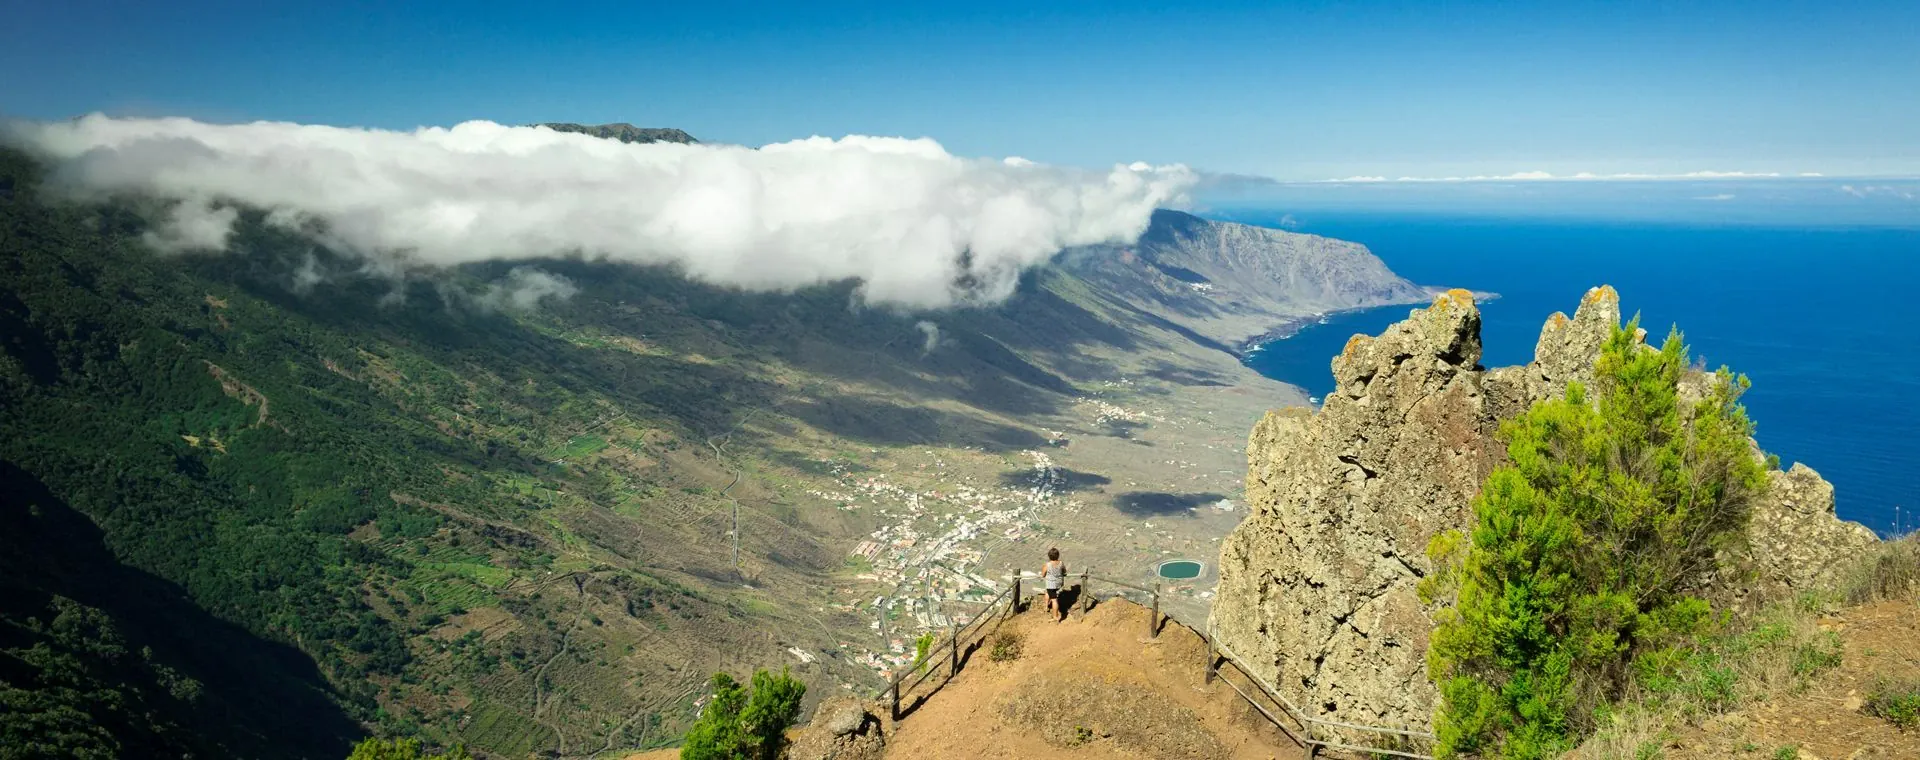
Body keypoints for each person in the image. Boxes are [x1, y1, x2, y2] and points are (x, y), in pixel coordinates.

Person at [1042, 547, 1067, 622]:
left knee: (1054, 600)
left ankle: (1055, 617)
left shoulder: (1047, 565)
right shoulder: (1061, 563)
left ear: (1049, 556)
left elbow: (1043, 574)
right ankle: (1046, 606)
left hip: (1051, 584)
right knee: (1047, 592)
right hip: (1059, 583)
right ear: (1058, 555)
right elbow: (1064, 571)